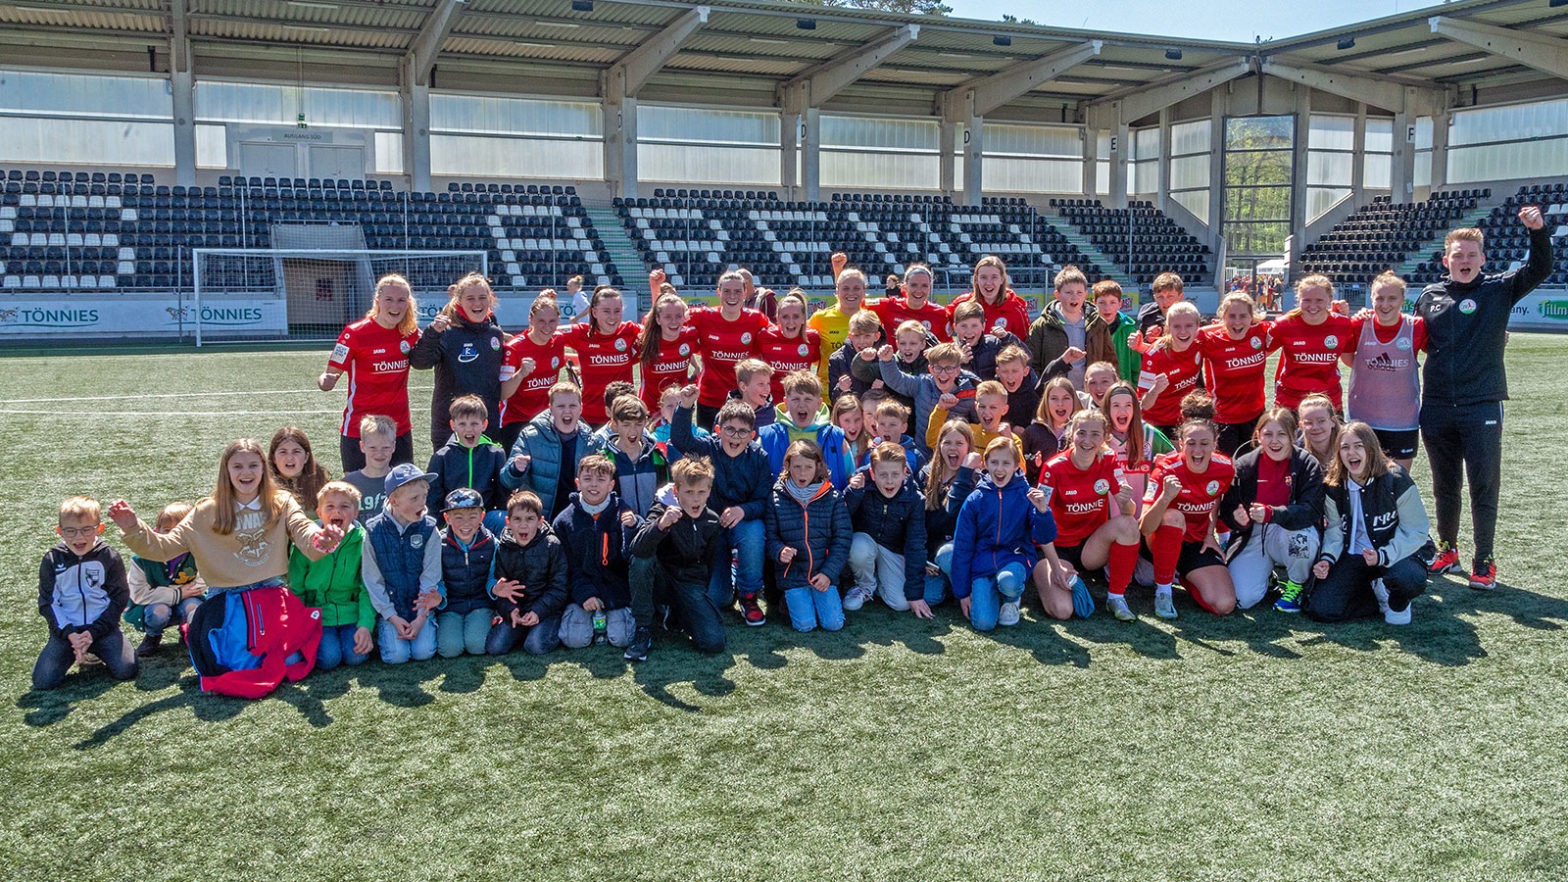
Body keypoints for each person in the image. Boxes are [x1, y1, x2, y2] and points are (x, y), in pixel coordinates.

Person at [1418, 205, 1552, 588]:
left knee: (1483, 485)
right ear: (1446, 259)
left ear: (1483, 259)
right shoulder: (1430, 296)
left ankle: (1484, 559)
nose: (1464, 261)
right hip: (1438, 406)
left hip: (1482, 407)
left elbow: (1540, 268)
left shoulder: (1499, 289)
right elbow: (1414, 338)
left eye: (1471, 255)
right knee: (1445, 485)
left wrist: (1537, 231)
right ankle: (1448, 550)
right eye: (1457, 255)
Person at [110, 439, 345, 597]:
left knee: (286, 661)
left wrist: (321, 538)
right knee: (231, 663)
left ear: (264, 469)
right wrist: (133, 528)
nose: (246, 473)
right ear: (227, 471)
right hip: (224, 594)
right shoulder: (207, 511)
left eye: (253, 465)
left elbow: (302, 528)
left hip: (270, 589)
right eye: (238, 466)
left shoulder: (281, 502)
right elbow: (165, 548)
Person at [1305, 422, 1430, 624]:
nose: (1351, 453)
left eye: (1358, 446)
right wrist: (1327, 559)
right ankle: (1373, 590)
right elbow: (1335, 530)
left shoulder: (1396, 479)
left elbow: (1416, 530)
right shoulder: (1334, 485)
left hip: (1394, 554)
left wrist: (1383, 555)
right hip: (1355, 556)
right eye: (1345, 447)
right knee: (1322, 609)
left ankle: (1398, 599)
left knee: (1409, 579)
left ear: (1371, 449)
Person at [671, 386, 774, 626]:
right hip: (712, 527)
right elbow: (680, 439)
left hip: (743, 523)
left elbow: (764, 500)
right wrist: (685, 407)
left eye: (742, 432)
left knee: (754, 531)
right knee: (718, 597)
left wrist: (743, 510)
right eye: (729, 430)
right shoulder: (708, 448)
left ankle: (748, 595)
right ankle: (732, 582)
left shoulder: (759, 456)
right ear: (718, 430)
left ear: (752, 435)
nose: (735, 437)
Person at [1034, 410, 1142, 622]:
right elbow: (1040, 520)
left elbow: (1128, 514)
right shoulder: (1053, 467)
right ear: (1071, 433)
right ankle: (1058, 576)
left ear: (1104, 437)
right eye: (1081, 433)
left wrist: (1126, 500)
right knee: (1062, 611)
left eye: (1095, 434)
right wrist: (1056, 568)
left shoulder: (1109, 460)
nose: (1087, 440)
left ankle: (1116, 597)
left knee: (1128, 525)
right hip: (1054, 549)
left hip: (1090, 549)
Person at [1219, 408, 1325, 613]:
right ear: (1258, 436)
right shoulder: (1244, 465)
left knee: (1300, 540)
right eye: (1268, 434)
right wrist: (1237, 518)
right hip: (1254, 533)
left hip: (1290, 529)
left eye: (1282, 434)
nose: (1274, 441)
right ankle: (1266, 577)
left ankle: (1296, 584)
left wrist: (1273, 514)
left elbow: (1310, 510)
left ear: (1294, 436)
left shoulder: (1306, 464)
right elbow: (1227, 509)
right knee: (1242, 599)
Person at [950, 437, 1058, 631]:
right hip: (983, 563)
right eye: (994, 462)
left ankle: (1011, 598)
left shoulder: (1026, 495)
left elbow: (1044, 536)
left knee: (1008, 581)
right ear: (985, 464)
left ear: (1016, 465)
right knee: (983, 624)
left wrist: (1043, 512)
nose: (1000, 469)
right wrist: (963, 593)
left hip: (1014, 558)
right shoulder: (975, 499)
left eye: (1006, 463)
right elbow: (962, 547)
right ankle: (988, 592)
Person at [628, 457, 728, 658]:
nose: (695, 499)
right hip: (662, 578)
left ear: (709, 491)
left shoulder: (711, 520)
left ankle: (675, 613)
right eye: (689, 492)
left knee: (713, 642)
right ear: (676, 492)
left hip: (690, 583)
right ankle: (642, 627)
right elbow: (636, 549)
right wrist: (661, 526)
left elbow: (709, 562)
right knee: (642, 560)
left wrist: (697, 598)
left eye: (701, 492)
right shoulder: (662, 510)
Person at [33, 496, 136, 690]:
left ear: (99, 529)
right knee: (43, 681)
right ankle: (75, 650)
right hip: (67, 632)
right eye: (70, 531)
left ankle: (93, 651)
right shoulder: (52, 560)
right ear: (59, 531)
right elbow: (47, 603)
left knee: (126, 669)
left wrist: (93, 632)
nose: (78, 538)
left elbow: (119, 598)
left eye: (86, 530)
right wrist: (70, 634)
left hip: (102, 630)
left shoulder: (109, 557)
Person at [1139, 415, 1237, 619]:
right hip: (1158, 538)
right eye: (1191, 443)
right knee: (1174, 517)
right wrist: (1166, 498)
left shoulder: (1225, 468)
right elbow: (1145, 528)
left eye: (1204, 443)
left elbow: (1217, 496)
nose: (1198, 450)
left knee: (1224, 604)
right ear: (1181, 444)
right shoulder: (1166, 469)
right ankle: (1163, 592)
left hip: (1196, 542)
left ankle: (1183, 575)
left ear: (1214, 444)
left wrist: (1211, 533)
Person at [320, 273, 419, 471]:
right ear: (377, 301)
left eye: (401, 300)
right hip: (360, 429)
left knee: (403, 493)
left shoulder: (411, 333)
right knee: (357, 493)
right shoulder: (354, 334)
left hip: (399, 429)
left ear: (408, 304)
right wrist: (326, 380)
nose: (395, 306)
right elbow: (330, 372)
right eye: (389, 300)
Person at [409, 272, 507, 450]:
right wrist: (432, 333)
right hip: (450, 426)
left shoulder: (495, 334)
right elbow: (420, 363)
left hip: (487, 424)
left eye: (482, 297)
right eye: (470, 298)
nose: (477, 303)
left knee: (488, 476)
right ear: (459, 300)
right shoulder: (447, 333)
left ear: (490, 300)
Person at [764, 440, 853, 633]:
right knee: (805, 625)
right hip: (793, 575)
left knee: (833, 624)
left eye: (808, 467)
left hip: (823, 574)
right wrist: (780, 551)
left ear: (818, 466)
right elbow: (770, 537)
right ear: (787, 466)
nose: (802, 473)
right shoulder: (775, 498)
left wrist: (829, 573)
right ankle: (787, 601)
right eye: (797, 467)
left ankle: (825, 596)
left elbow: (843, 539)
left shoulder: (833, 497)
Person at [552, 456, 640, 651]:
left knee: (622, 638)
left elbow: (632, 558)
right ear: (577, 483)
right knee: (575, 640)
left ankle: (615, 617)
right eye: (587, 479)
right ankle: (582, 616)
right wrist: (584, 594)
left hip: (616, 592)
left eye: (601, 480)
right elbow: (565, 567)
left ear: (611, 485)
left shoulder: (624, 514)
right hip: (581, 593)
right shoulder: (564, 521)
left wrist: (633, 527)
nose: (593, 485)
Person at [287, 482, 375, 671]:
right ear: (319, 513)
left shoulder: (364, 541)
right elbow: (296, 587)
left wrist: (365, 625)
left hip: (350, 613)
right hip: (318, 615)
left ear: (355, 513)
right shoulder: (307, 543)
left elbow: (367, 587)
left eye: (345, 506)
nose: (337, 511)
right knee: (329, 659)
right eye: (330, 506)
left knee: (356, 656)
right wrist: (300, 625)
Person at [361, 463, 444, 664]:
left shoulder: (430, 530)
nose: (422, 504)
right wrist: (391, 616)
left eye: (424, 496)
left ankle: (427, 625)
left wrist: (421, 617)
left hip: (420, 610)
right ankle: (384, 629)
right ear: (394, 501)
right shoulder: (373, 532)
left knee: (423, 652)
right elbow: (373, 580)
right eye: (414, 498)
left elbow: (431, 575)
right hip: (392, 610)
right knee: (396, 656)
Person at [1345, 272, 1426, 472]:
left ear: (1402, 300)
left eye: (1392, 298)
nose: (1385, 304)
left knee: (1397, 483)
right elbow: (1348, 358)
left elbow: (1448, 346)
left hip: (1403, 421)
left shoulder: (1416, 327)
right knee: (1360, 480)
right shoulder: (1358, 324)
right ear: (1371, 299)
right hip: (1362, 419)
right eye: (1379, 298)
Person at [845, 442, 929, 614]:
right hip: (865, 541)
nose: (889, 480)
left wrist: (915, 595)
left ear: (904, 473)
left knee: (901, 603)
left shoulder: (914, 499)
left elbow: (916, 543)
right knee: (858, 546)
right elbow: (843, 516)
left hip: (891, 548)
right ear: (872, 474)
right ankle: (865, 586)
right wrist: (854, 493)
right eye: (883, 474)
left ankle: (879, 582)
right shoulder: (861, 485)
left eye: (895, 474)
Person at [487, 490, 567, 656]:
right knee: (495, 647)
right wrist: (511, 611)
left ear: (540, 521)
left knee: (535, 646)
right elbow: (501, 586)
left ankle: (548, 630)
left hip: (546, 611)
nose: (523, 525)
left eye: (530, 519)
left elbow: (559, 587)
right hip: (518, 611)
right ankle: (521, 629)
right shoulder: (503, 547)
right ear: (508, 522)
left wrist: (538, 611)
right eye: (517, 519)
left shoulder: (552, 545)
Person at [500, 382, 593, 522]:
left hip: (576, 520)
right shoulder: (530, 437)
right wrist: (515, 470)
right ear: (550, 409)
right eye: (561, 406)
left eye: (572, 406)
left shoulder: (590, 441)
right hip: (539, 520)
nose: (567, 411)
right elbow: (507, 481)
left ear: (581, 408)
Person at [124, 500, 206, 658]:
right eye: (167, 530)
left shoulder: (198, 553)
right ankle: (153, 635)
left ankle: (188, 631)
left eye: (180, 531)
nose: (173, 537)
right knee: (159, 612)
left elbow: (203, 581)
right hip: (155, 605)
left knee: (194, 609)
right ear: (156, 532)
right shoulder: (141, 559)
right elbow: (138, 594)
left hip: (188, 599)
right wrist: (178, 594)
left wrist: (181, 594)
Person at [689, 270, 770, 428]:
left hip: (744, 401)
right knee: (708, 450)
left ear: (745, 293)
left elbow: (778, 337)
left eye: (737, 291)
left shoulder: (756, 319)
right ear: (718, 292)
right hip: (709, 401)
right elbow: (668, 319)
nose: (732, 296)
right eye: (726, 291)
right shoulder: (703, 316)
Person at [1197, 292, 1272, 457]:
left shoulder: (1260, 332)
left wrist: (1336, 311)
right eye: (1231, 316)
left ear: (1252, 317)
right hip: (1223, 420)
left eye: (1243, 316)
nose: (1237, 322)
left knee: (1254, 470)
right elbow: (1187, 334)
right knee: (1226, 471)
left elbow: (1289, 321)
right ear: (1223, 317)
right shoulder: (1210, 340)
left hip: (1256, 417)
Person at [1268, 275, 1354, 412]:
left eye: (1319, 300)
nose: (1313, 306)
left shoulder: (1343, 325)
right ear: (1298, 300)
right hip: (1290, 402)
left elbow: (1350, 360)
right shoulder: (1284, 324)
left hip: (1329, 403)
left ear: (1330, 300)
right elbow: (1260, 354)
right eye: (1307, 300)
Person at [424, 395, 508, 534]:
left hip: (483, 517)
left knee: (503, 519)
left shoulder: (495, 454)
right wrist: (440, 525)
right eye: (462, 424)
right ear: (453, 426)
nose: (469, 429)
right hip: (453, 519)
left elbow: (502, 495)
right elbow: (433, 498)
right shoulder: (442, 457)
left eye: (474, 424)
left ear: (484, 425)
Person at [758, 370, 857, 488]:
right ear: (786, 402)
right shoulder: (767, 437)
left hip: (827, 505)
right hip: (780, 505)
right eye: (795, 399)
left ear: (819, 403)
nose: (802, 405)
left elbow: (851, 478)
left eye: (808, 399)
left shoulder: (836, 437)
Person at [877, 341, 980, 454]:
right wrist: (887, 361)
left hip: (955, 455)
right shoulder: (922, 384)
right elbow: (897, 380)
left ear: (957, 370)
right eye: (938, 368)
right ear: (930, 369)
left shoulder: (969, 392)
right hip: (924, 454)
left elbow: (979, 423)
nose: (943, 374)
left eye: (949, 368)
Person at [498, 290, 568, 454]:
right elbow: (502, 394)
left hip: (547, 419)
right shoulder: (514, 348)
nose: (547, 326)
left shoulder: (558, 340)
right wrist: (521, 374)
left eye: (552, 321)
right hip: (515, 422)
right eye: (541, 321)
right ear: (530, 319)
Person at [561, 285, 642, 426]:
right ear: (594, 312)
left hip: (625, 417)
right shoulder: (581, 333)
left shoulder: (630, 330)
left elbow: (656, 331)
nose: (612, 317)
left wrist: (656, 289)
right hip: (590, 417)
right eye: (606, 311)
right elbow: (546, 332)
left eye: (617, 311)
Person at [918, 421, 977, 611]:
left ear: (969, 447)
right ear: (939, 446)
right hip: (931, 556)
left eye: (959, 443)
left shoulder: (975, 480)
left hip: (957, 552)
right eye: (947, 442)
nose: (953, 448)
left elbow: (952, 510)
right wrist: (923, 557)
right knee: (930, 597)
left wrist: (966, 473)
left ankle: (966, 590)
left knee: (948, 556)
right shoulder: (926, 476)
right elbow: (917, 521)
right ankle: (949, 586)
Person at [1102, 380, 1174, 522]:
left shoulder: (1151, 435)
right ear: (1107, 408)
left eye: (1128, 405)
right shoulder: (1099, 437)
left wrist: (1164, 467)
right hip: (1107, 524)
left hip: (1145, 521)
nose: (1122, 411)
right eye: (1116, 405)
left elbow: (1178, 468)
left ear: (1135, 408)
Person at [1136, 301, 1204, 439]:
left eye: (1189, 326)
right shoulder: (1154, 355)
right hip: (1157, 424)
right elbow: (1144, 404)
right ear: (1168, 327)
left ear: (1198, 326)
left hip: (1186, 419)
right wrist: (1155, 390)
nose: (1183, 331)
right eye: (1176, 326)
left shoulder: (1200, 342)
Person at [597, 395, 668, 517]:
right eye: (626, 425)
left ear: (645, 422)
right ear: (614, 424)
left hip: (654, 530)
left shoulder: (658, 457)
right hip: (619, 532)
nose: (633, 431)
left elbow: (666, 497)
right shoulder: (605, 460)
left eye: (638, 424)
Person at [637, 278, 700, 413]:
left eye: (678, 316)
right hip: (650, 411)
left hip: (680, 409)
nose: (674, 321)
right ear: (658, 319)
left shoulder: (690, 335)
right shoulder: (644, 339)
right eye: (668, 317)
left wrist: (696, 367)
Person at [1026, 264, 1093, 388]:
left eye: (1079, 292)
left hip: (1090, 397)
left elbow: (1109, 361)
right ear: (1057, 294)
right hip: (1056, 398)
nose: (1074, 297)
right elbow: (1032, 365)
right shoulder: (1041, 327)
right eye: (1069, 292)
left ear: (1085, 294)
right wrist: (1042, 390)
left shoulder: (1096, 324)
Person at [926, 380, 1023, 464]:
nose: (986, 412)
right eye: (982, 407)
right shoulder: (968, 431)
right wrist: (941, 409)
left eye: (993, 407)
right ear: (976, 406)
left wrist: (1009, 441)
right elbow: (933, 441)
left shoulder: (1012, 439)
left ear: (1004, 410)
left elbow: (1021, 471)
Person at [807, 261, 869, 388]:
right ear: (837, 290)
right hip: (827, 394)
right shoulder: (820, 319)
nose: (851, 293)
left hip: (863, 393)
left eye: (856, 288)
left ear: (864, 291)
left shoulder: (872, 319)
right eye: (845, 288)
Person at [755, 290, 821, 404]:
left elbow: (815, 366)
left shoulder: (813, 339)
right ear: (778, 318)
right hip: (770, 405)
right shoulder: (765, 337)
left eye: (796, 316)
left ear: (803, 318)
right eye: (785, 317)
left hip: (800, 406)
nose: (791, 322)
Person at [948, 255, 1031, 340]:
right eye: (983, 277)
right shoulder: (963, 304)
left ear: (1002, 279)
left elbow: (1026, 346)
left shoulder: (1015, 308)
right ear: (976, 280)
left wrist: (1007, 338)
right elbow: (941, 321)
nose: (988, 282)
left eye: (994, 277)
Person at [868, 264, 950, 343]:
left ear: (930, 288)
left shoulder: (941, 314)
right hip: (893, 357)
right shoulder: (888, 306)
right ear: (904, 287)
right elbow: (860, 304)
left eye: (924, 286)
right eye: (913, 285)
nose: (919, 290)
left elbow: (948, 348)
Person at [1023, 376, 1081, 484]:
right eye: (1054, 398)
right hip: (1042, 493)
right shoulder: (1032, 432)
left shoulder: (1081, 432)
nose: (1060, 404)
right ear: (1046, 402)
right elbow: (1022, 470)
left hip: (1073, 494)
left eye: (1066, 398)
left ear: (1074, 401)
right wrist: (1034, 464)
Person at [863, 320, 932, 411]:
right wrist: (862, 359)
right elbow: (862, 372)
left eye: (913, 343)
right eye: (903, 343)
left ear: (923, 344)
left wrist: (938, 357)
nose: (907, 347)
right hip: (898, 417)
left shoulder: (932, 363)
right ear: (897, 344)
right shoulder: (893, 360)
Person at [342, 415, 397, 524]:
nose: (379, 453)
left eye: (385, 448)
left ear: (393, 446)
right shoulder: (348, 484)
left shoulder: (402, 481)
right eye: (373, 448)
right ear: (362, 446)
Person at [950, 300, 1021, 382]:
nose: (969, 331)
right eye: (963, 326)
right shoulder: (951, 352)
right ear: (955, 327)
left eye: (974, 326)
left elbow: (1025, 359)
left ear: (983, 326)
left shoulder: (994, 344)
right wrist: (960, 363)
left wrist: (1007, 338)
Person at [1086, 279, 1141, 383]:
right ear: (1094, 303)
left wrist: (1132, 389)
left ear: (1120, 304)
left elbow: (1136, 366)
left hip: (1121, 390)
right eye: (1102, 303)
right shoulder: (1087, 329)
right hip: (1094, 387)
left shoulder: (1129, 331)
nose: (1107, 308)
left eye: (1112, 302)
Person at [268, 426, 330, 515]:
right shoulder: (264, 486)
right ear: (274, 458)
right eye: (283, 452)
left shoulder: (321, 486)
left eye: (296, 451)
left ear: (306, 457)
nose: (289, 458)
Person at [828, 310, 884, 403]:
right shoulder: (837, 359)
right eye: (857, 336)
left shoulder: (883, 358)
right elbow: (833, 399)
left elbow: (895, 394)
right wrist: (841, 389)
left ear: (877, 336)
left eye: (867, 336)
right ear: (850, 336)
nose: (862, 341)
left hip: (875, 414)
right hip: (850, 413)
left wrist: (882, 390)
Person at [861, 399, 924, 474]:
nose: (886, 429)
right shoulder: (870, 453)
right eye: (882, 424)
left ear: (903, 427)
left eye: (892, 425)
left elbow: (922, 481)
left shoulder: (914, 455)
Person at [994, 344, 1040, 430]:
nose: (1010, 377)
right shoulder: (993, 392)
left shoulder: (1034, 394)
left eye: (1015, 371)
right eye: (1005, 371)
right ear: (998, 372)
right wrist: (1012, 428)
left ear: (1025, 371)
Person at [725, 359, 777, 430]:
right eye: (761, 384)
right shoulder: (726, 414)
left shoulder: (773, 416)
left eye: (768, 383)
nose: (767, 389)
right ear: (743, 387)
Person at [1296, 393, 1341, 472]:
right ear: (1301, 426)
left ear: (1333, 421)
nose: (1315, 427)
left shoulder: (1346, 445)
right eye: (1309, 422)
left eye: (1321, 421)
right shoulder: (1297, 453)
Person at [1136, 271, 1185, 339]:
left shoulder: (1190, 318)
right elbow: (1140, 345)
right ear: (1155, 298)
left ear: (1180, 296)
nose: (1165, 301)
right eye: (1160, 297)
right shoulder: (1146, 316)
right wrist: (1148, 339)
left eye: (1170, 296)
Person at [831, 393, 870, 465]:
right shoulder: (830, 445)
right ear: (837, 420)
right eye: (847, 421)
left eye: (857, 420)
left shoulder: (869, 444)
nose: (853, 426)